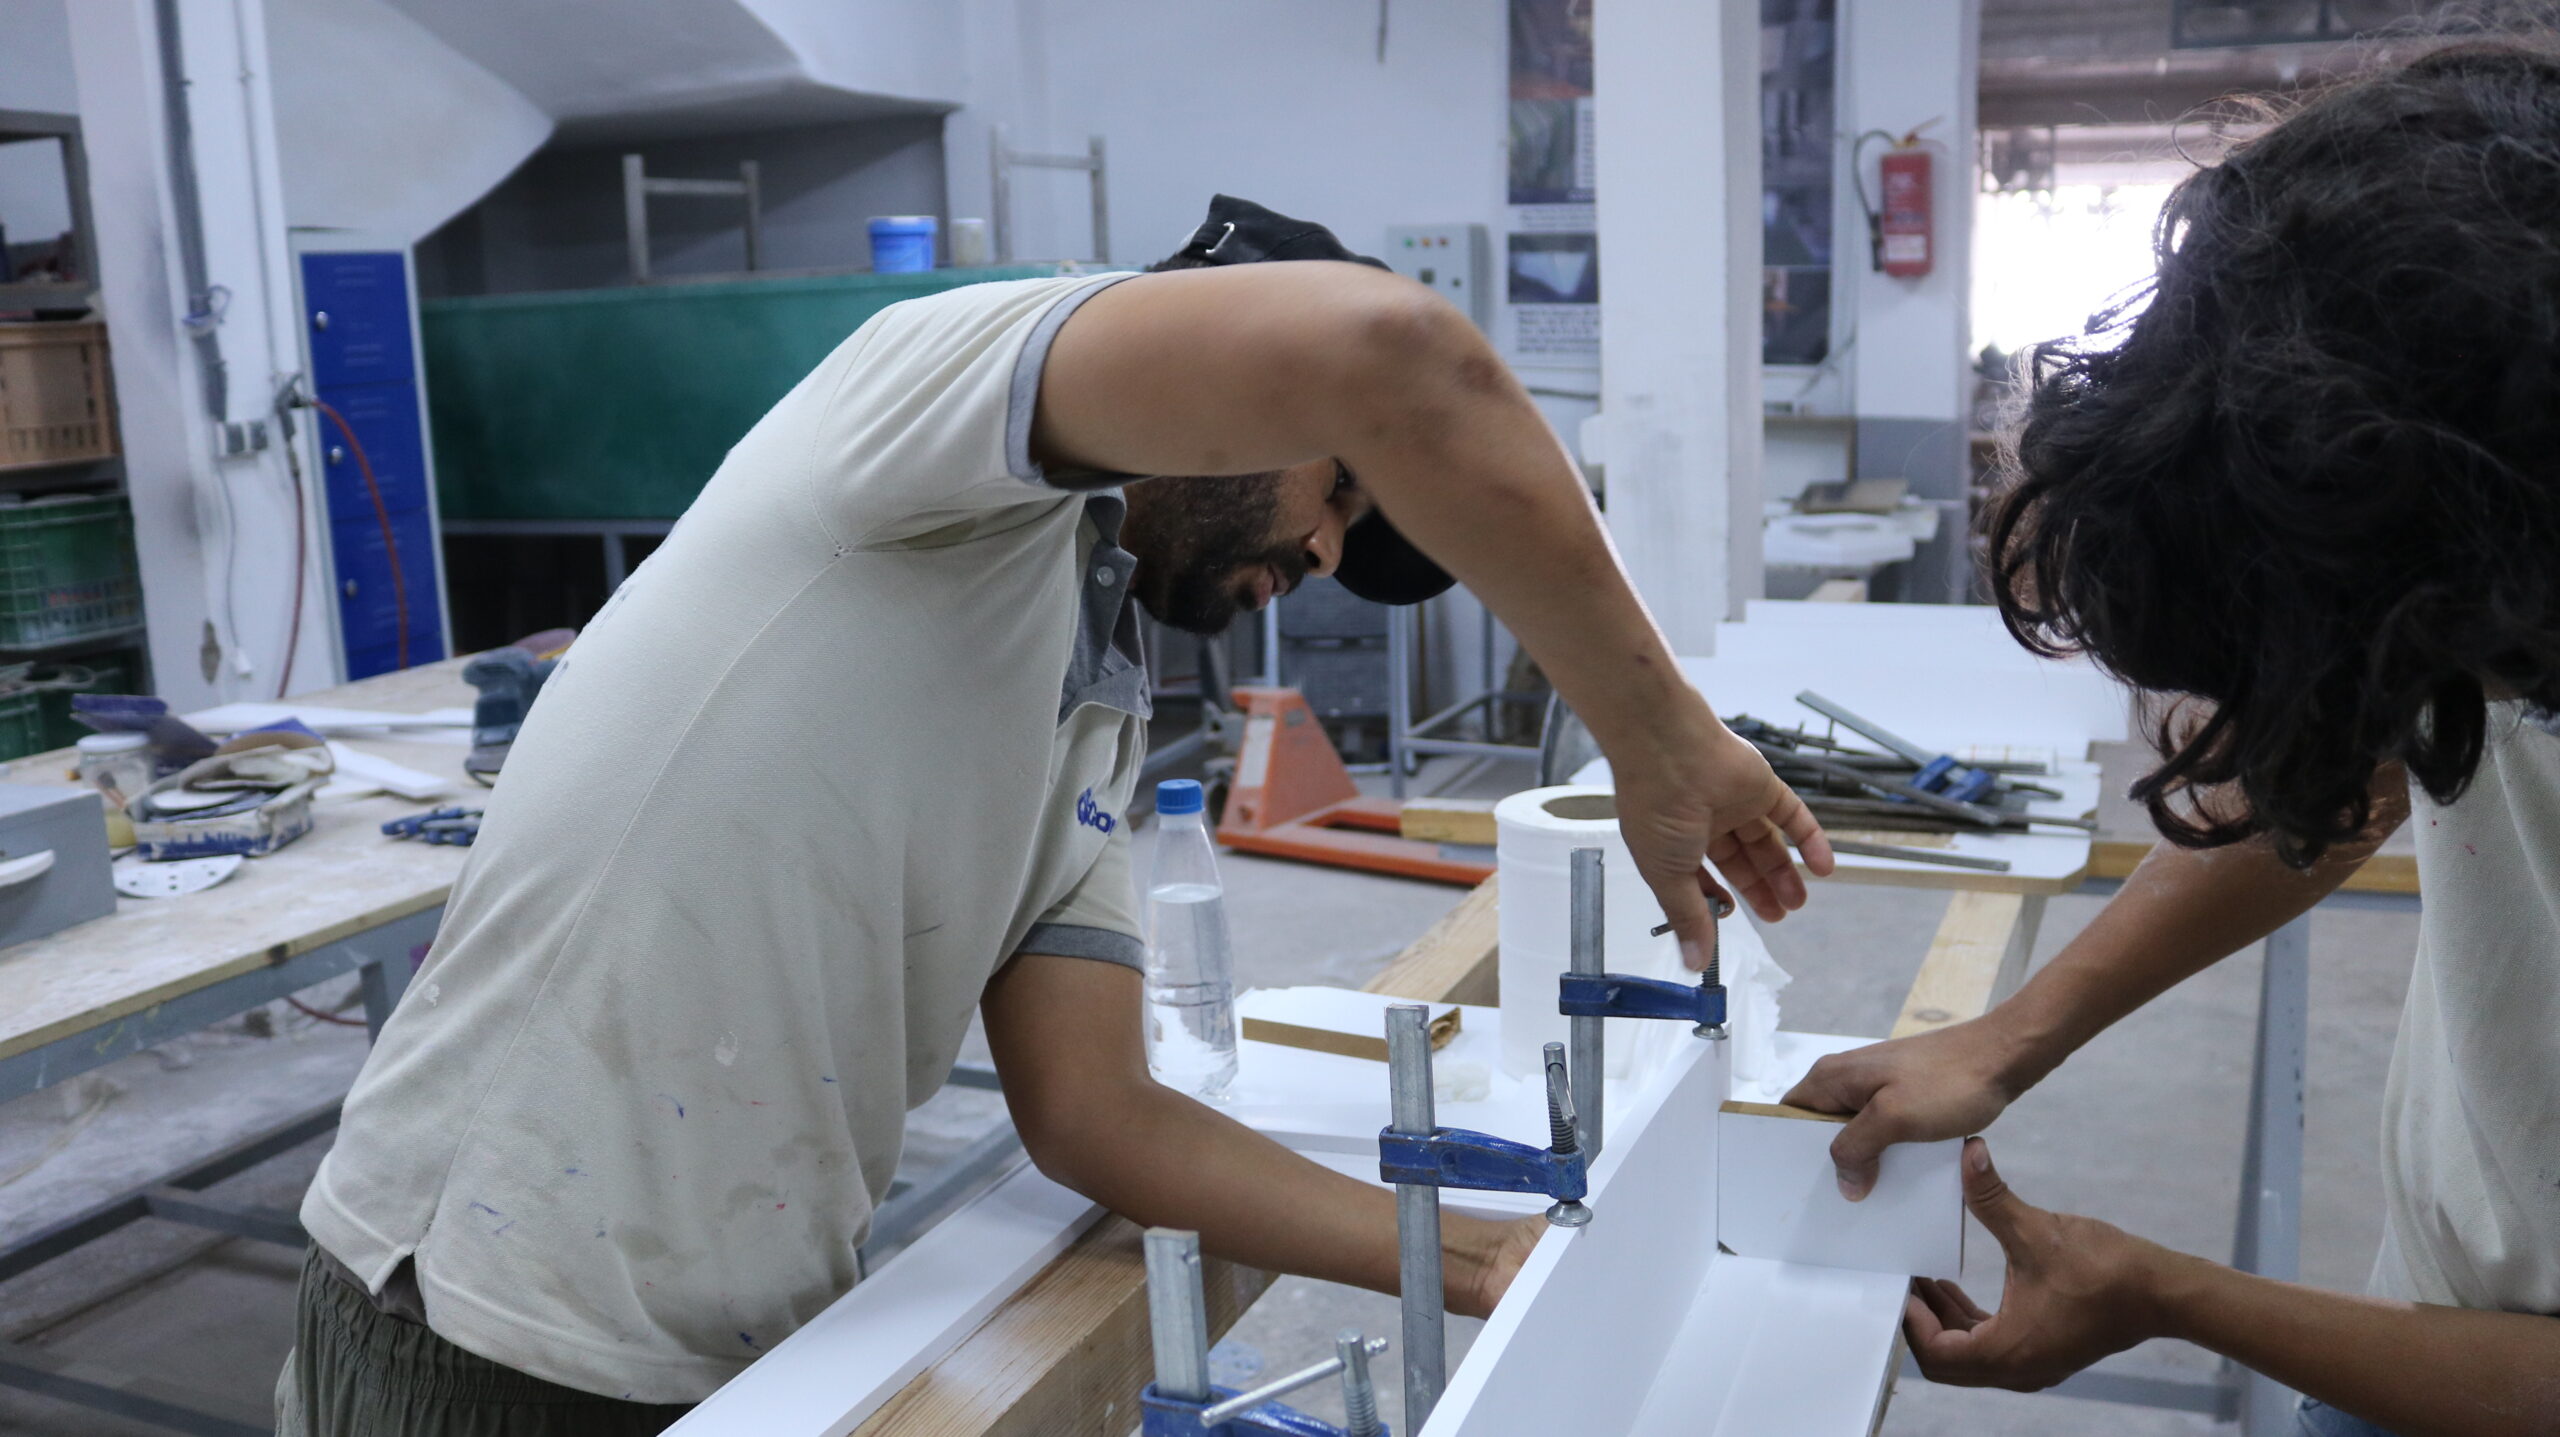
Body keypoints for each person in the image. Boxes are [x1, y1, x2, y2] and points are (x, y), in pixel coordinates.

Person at [275, 195, 1833, 1434]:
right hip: (480, 1318)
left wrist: (1480, 1256)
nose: (1324, 553)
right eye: (1342, 494)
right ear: (1224, 387)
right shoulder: (922, 409)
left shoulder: (1093, 694)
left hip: (742, 1350)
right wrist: (1660, 739)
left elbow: (1097, 1111)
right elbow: (1393, 350)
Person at [1780, 44, 2560, 1437]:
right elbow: (2355, 758)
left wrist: (2173, 1295)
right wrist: (2009, 1038)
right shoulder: (2479, 505)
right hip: (2435, 1308)